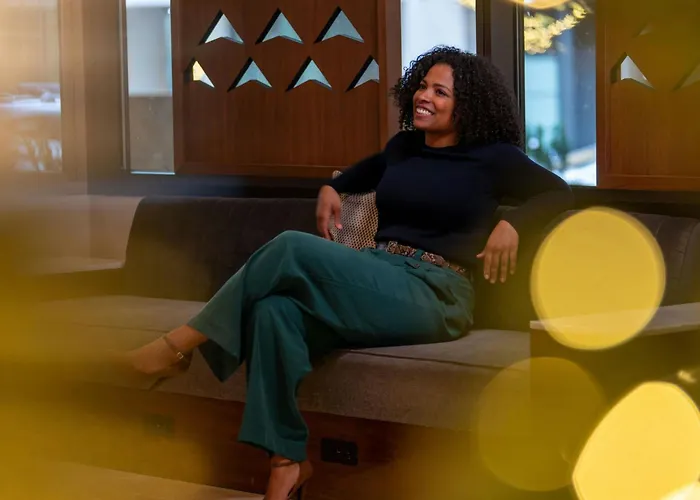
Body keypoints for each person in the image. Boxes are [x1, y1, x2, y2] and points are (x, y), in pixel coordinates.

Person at [123, 46, 573, 500]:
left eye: (441, 92)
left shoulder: (494, 158)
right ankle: (286, 463)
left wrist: (513, 224)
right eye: (422, 86)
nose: (424, 97)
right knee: (274, 312)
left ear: (467, 106)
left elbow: (559, 193)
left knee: (291, 247)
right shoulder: (403, 149)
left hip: (437, 290)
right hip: (380, 270)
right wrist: (332, 187)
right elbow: (360, 175)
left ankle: (179, 344)